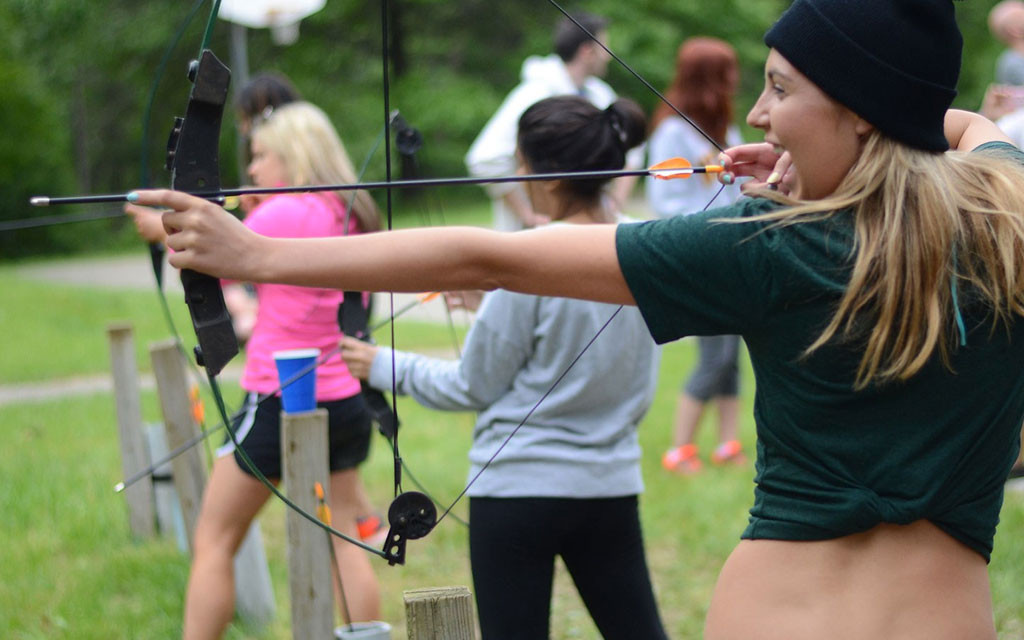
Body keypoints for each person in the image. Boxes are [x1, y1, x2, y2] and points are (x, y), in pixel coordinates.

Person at [138, 0, 1024, 637]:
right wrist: (848, 143)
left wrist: (256, 256)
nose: (759, 114)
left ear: (860, 111)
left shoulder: (767, 248)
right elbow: (957, 131)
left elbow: (487, 257)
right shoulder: (1007, 214)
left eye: (781, 90)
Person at [344, 95, 666, 639]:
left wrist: (382, 365)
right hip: (608, 486)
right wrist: (491, 302)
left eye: (521, 164)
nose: (518, 178)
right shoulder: (647, 247)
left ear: (551, 177)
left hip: (518, 494)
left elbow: (470, 386)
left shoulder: (532, 258)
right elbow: (574, 322)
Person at [132, 102, 385, 640]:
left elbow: (204, 253)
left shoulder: (279, 214)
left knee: (215, 539)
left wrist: (158, 226)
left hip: (279, 398)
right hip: (345, 397)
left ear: (293, 156)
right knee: (343, 536)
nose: (251, 168)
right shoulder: (350, 209)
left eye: (262, 155)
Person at [646, 37, 746, 474]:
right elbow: (664, 201)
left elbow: (739, 192)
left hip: (733, 255)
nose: (735, 80)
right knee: (714, 356)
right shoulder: (673, 132)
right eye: (727, 71)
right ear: (707, 77)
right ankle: (680, 449)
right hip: (702, 256)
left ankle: (728, 445)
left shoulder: (726, 131)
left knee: (732, 359)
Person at [465, 12, 643, 231]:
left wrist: (614, 205)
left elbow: (632, 146)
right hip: (538, 236)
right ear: (587, 51)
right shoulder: (535, 94)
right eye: (605, 47)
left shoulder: (600, 94)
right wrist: (529, 216)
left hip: (593, 228)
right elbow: (484, 158)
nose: (609, 55)